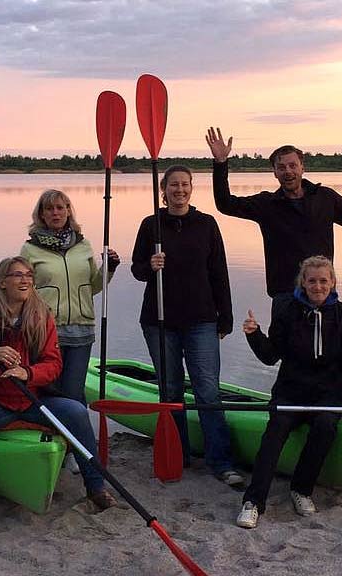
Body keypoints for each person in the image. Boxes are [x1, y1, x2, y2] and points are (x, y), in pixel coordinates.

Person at [0, 257, 118, 528]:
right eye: (17, 275)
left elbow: (54, 364)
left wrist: (29, 374)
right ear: (3, 282)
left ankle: (96, 488)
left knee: (77, 412)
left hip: (35, 399)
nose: (25, 280)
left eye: (28, 275)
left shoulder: (41, 316)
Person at [236, 256, 342, 529]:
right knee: (275, 433)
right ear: (303, 283)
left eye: (323, 281)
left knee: (325, 428)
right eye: (312, 281)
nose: (318, 286)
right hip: (290, 392)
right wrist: (254, 334)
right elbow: (270, 356)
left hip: (327, 395)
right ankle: (253, 502)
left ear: (332, 283)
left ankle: (301, 489)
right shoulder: (286, 310)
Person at [130, 165, 243, 487]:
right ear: (163, 190)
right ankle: (178, 454)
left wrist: (226, 316)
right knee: (171, 391)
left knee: (207, 389)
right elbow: (137, 269)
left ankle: (220, 461)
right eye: (173, 185)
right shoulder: (151, 225)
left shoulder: (206, 224)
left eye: (185, 185)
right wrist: (150, 266)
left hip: (202, 320)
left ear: (192, 189)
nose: (179, 190)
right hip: (159, 320)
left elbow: (219, 271)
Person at [207, 127, 342, 297]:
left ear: (303, 167)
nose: (288, 172)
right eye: (281, 167)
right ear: (275, 173)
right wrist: (221, 163)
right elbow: (225, 204)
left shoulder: (325, 198)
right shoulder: (266, 204)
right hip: (284, 293)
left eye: (292, 166)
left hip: (322, 292)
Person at [19, 188, 118, 405]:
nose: (55, 213)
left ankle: (75, 437)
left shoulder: (83, 245)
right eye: (49, 209)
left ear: (68, 212)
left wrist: (109, 269)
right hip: (45, 331)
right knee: (49, 391)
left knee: (73, 393)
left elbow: (93, 286)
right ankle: (53, 435)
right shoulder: (29, 249)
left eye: (60, 208)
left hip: (81, 330)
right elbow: (21, 289)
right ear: (41, 214)